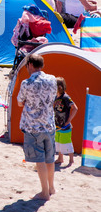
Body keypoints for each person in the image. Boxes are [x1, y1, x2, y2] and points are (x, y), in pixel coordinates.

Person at [17, 54, 57, 201]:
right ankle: (51, 188)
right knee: (50, 158)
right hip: (49, 124)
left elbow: (20, 102)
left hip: (33, 126)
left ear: (31, 65)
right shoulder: (53, 79)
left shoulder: (27, 83)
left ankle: (44, 192)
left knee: (39, 159)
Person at [54, 77, 78, 166]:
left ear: (59, 87)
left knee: (67, 143)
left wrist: (69, 120)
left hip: (65, 126)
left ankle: (71, 160)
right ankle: (60, 158)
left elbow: (75, 108)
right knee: (59, 142)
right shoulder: (56, 96)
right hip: (57, 124)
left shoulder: (66, 97)